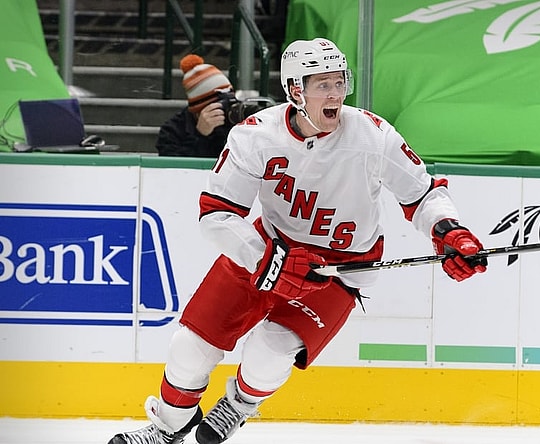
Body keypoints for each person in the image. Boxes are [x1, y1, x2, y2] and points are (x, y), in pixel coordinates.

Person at [109, 38, 488, 444]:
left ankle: (237, 406)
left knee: (269, 352)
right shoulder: (256, 136)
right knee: (189, 348)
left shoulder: (373, 137)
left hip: (338, 271)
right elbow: (216, 216)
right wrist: (267, 258)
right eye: (323, 84)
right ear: (295, 90)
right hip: (268, 249)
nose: (335, 94)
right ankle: (169, 427)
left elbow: (423, 193)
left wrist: (450, 231)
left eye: (340, 82)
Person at [155, 54, 236, 158]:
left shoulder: (239, 118)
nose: (228, 109)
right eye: (222, 104)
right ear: (199, 110)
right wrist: (200, 136)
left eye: (231, 102)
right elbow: (174, 169)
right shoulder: (173, 130)